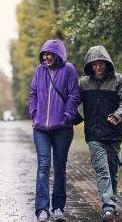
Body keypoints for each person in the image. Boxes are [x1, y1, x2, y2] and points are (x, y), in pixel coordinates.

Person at [80, 45, 122, 222]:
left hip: (113, 133)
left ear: (107, 63)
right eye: (94, 64)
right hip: (94, 134)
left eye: (101, 63)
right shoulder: (84, 83)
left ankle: (111, 202)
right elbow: (72, 100)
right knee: (102, 170)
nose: (98, 67)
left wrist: (118, 115)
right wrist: (71, 117)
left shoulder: (119, 80)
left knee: (112, 171)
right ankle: (108, 208)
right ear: (90, 65)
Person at [29, 39, 80, 222]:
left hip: (63, 129)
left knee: (59, 167)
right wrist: (33, 112)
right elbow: (33, 92)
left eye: (49, 54)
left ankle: (58, 208)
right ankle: (42, 210)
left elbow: (74, 94)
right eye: (44, 54)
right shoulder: (39, 70)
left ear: (58, 54)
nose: (46, 57)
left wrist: (67, 115)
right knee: (43, 166)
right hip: (40, 129)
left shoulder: (69, 69)